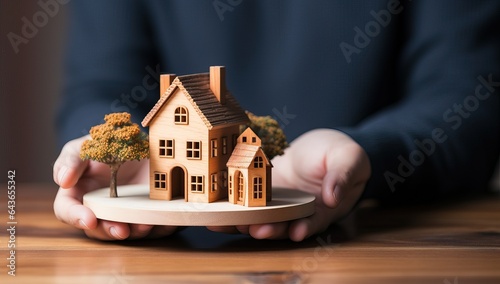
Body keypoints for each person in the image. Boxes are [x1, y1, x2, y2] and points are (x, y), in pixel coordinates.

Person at [53, 0, 500, 241]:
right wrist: (109, 149)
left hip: (370, 241)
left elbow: (467, 96)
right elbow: (99, 86)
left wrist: (371, 151)